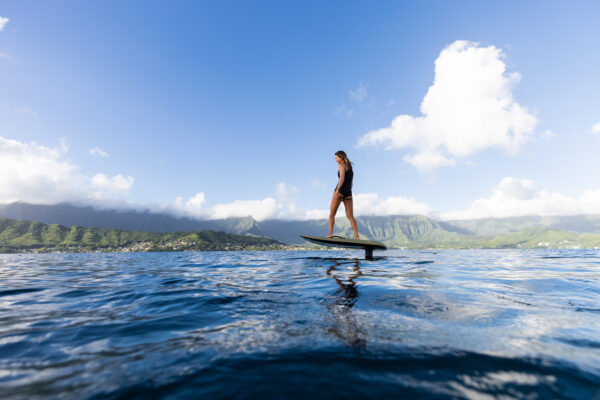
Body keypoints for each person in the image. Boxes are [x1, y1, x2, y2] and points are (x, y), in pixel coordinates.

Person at [328, 150, 359, 239]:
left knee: (332, 214)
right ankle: (356, 236)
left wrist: (337, 190)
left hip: (340, 191)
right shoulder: (350, 167)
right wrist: (347, 191)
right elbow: (351, 183)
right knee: (350, 216)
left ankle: (330, 234)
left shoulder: (341, 165)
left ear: (341, 157)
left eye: (336, 157)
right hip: (348, 192)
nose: (335, 159)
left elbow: (342, 178)